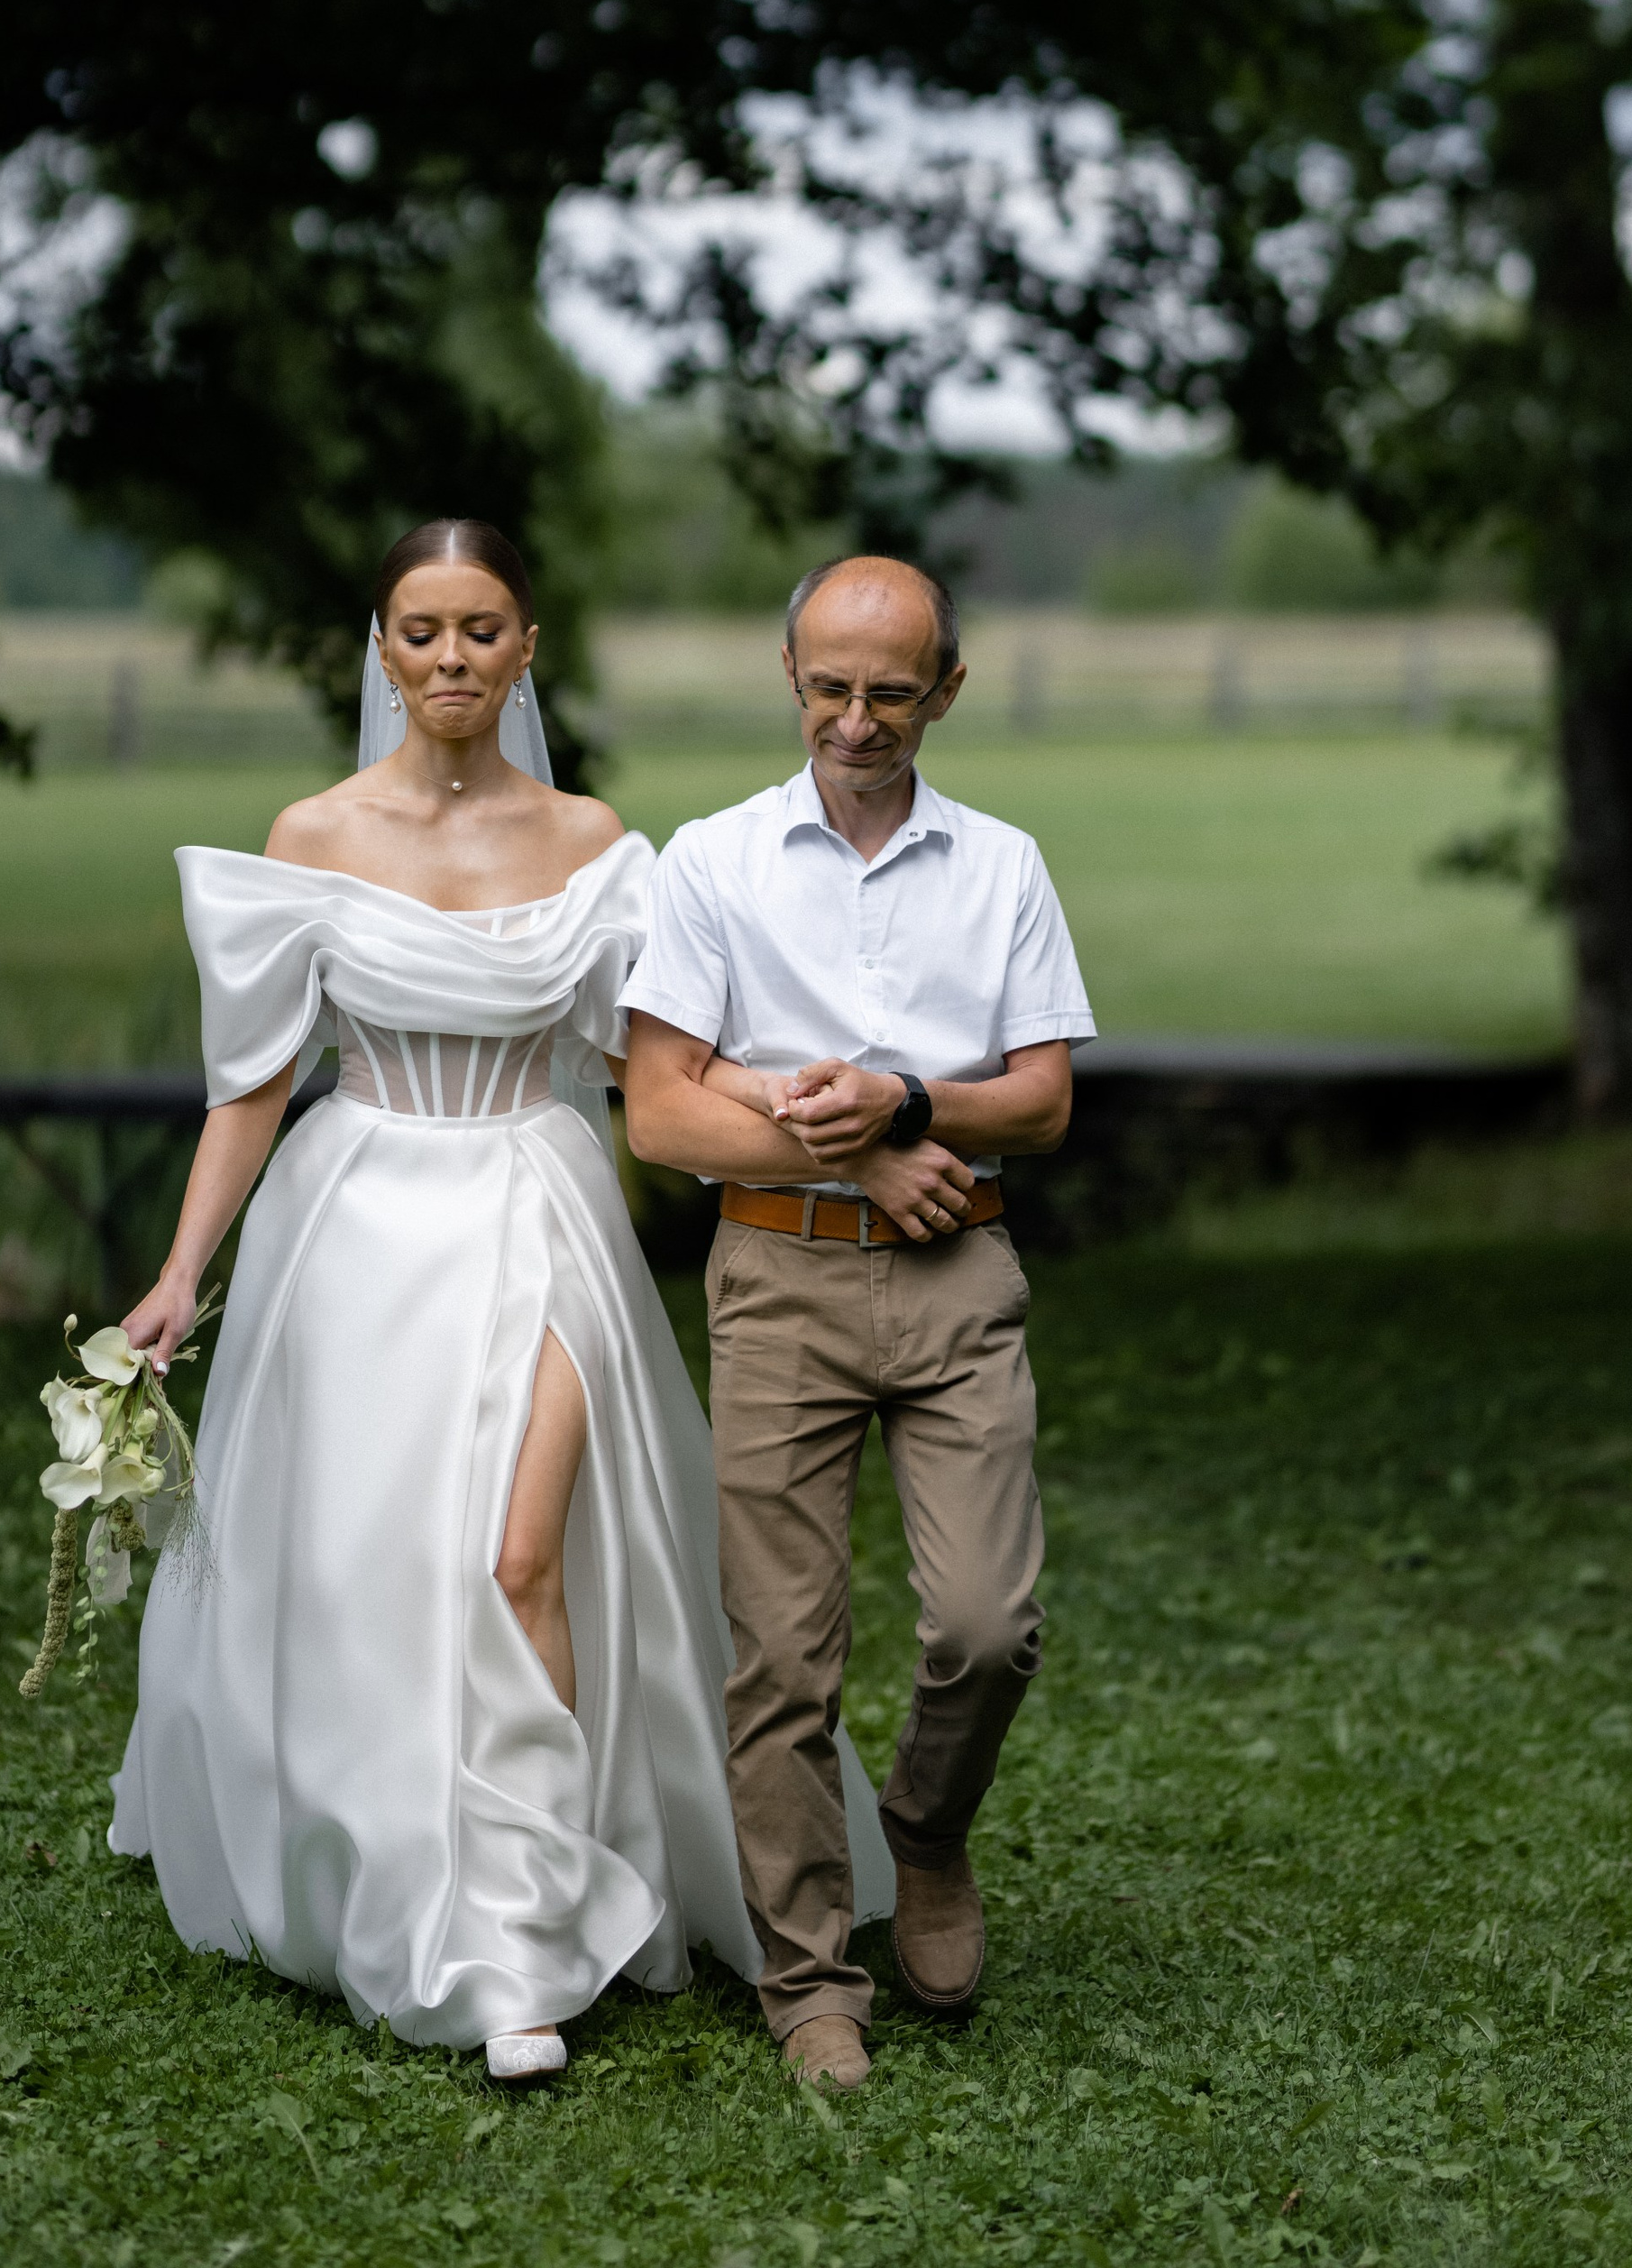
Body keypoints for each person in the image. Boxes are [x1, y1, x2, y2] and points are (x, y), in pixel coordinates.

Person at [108, 519, 886, 2080]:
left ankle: (528, 1906)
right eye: (421, 629)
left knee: (525, 1549)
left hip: (539, 1199)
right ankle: (444, 1906)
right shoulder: (312, 834)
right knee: (386, 1569)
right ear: (381, 647)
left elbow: (658, 1063)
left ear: (528, 646)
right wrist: (183, 1271)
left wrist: (848, 1127)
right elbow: (251, 1083)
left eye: (481, 628)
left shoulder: (599, 842)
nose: (450, 658)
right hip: (359, 1223)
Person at [621, 554, 1094, 2095]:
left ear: (945, 690)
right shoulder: (711, 861)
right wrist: (858, 1152)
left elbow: (1043, 1097)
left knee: (987, 1625)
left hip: (963, 1272)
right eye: (829, 684)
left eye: (891, 690)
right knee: (783, 1659)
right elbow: (659, 1107)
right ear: (790, 676)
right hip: (779, 1272)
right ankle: (812, 1976)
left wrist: (908, 1100)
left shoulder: (1005, 865)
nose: (856, 716)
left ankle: (928, 1831)